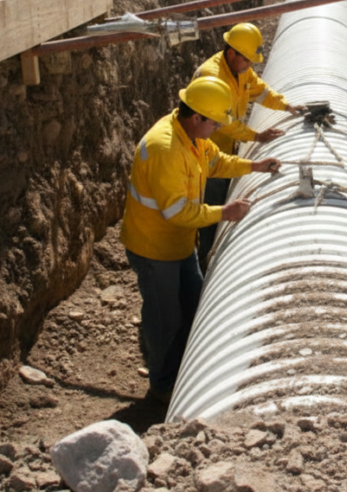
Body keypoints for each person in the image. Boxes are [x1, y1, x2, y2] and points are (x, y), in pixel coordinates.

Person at [120, 75, 281, 401]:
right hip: (154, 248)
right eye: (215, 123)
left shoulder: (190, 134)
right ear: (197, 117)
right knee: (166, 318)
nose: (218, 129)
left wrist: (255, 166)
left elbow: (214, 161)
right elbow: (176, 212)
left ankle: (187, 368)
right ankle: (163, 385)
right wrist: (225, 212)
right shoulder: (166, 148)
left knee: (194, 305)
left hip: (179, 243)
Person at [193, 23, 303, 264]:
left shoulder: (240, 70)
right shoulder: (212, 77)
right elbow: (225, 122)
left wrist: (286, 106)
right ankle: (204, 260)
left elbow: (260, 91)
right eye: (248, 60)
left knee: (219, 200)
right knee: (210, 206)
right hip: (202, 152)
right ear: (232, 53)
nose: (250, 66)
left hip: (224, 148)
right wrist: (256, 136)